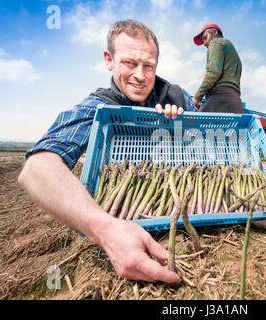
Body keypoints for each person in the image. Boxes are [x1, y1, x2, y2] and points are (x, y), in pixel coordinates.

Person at [17, 19, 201, 284]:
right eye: (129, 63)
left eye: (148, 66)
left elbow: (216, 148)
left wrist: (185, 128)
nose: (140, 74)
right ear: (109, 60)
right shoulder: (98, 107)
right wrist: (105, 228)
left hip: (186, 206)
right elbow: (36, 168)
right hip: (125, 214)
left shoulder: (177, 96)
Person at [192, 23, 244, 114]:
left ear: (215, 32)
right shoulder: (232, 51)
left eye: (205, 37)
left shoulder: (216, 42)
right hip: (235, 102)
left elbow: (213, 73)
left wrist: (196, 98)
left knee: (187, 124)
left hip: (218, 99)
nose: (204, 43)